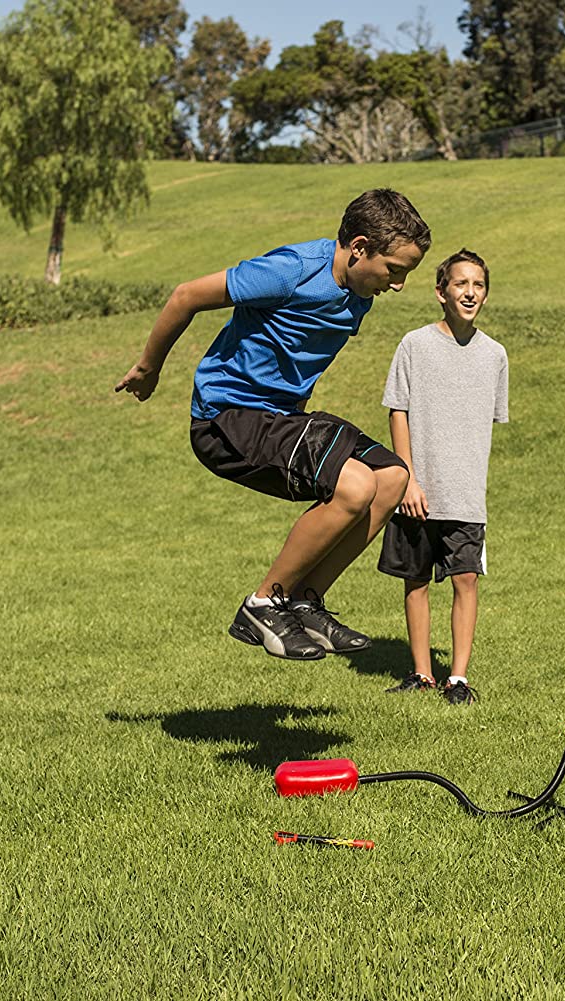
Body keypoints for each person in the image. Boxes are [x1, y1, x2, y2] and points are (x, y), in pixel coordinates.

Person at [114, 189, 430, 661]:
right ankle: (264, 603)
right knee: (354, 486)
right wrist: (148, 367)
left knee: (391, 479)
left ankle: (305, 600)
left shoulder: (359, 292)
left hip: (279, 419)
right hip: (227, 417)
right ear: (359, 247)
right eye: (394, 270)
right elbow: (186, 296)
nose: (399, 284)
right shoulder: (291, 270)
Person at [378, 249, 508, 705]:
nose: (470, 292)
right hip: (416, 490)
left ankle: (458, 678)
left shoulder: (495, 356)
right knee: (414, 580)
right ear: (441, 292)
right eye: (460, 284)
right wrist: (406, 479)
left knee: (465, 580)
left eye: (478, 285)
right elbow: (399, 412)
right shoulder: (414, 345)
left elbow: (481, 426)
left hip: (466, 495)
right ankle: (420, 674)